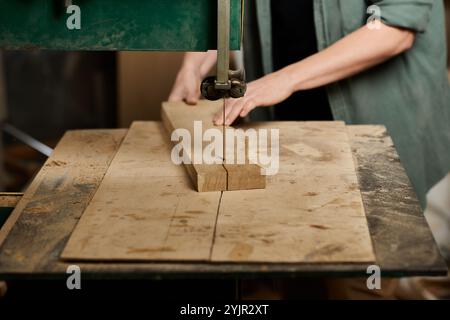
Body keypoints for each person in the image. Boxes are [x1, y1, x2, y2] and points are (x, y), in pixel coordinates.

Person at [169, 0, 450, 210]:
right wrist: (195, 62)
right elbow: (225, 8)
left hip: (375, 133)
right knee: (296, 254)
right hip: (287, 131)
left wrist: (285, 80)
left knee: (365, 276)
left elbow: (394, 28)